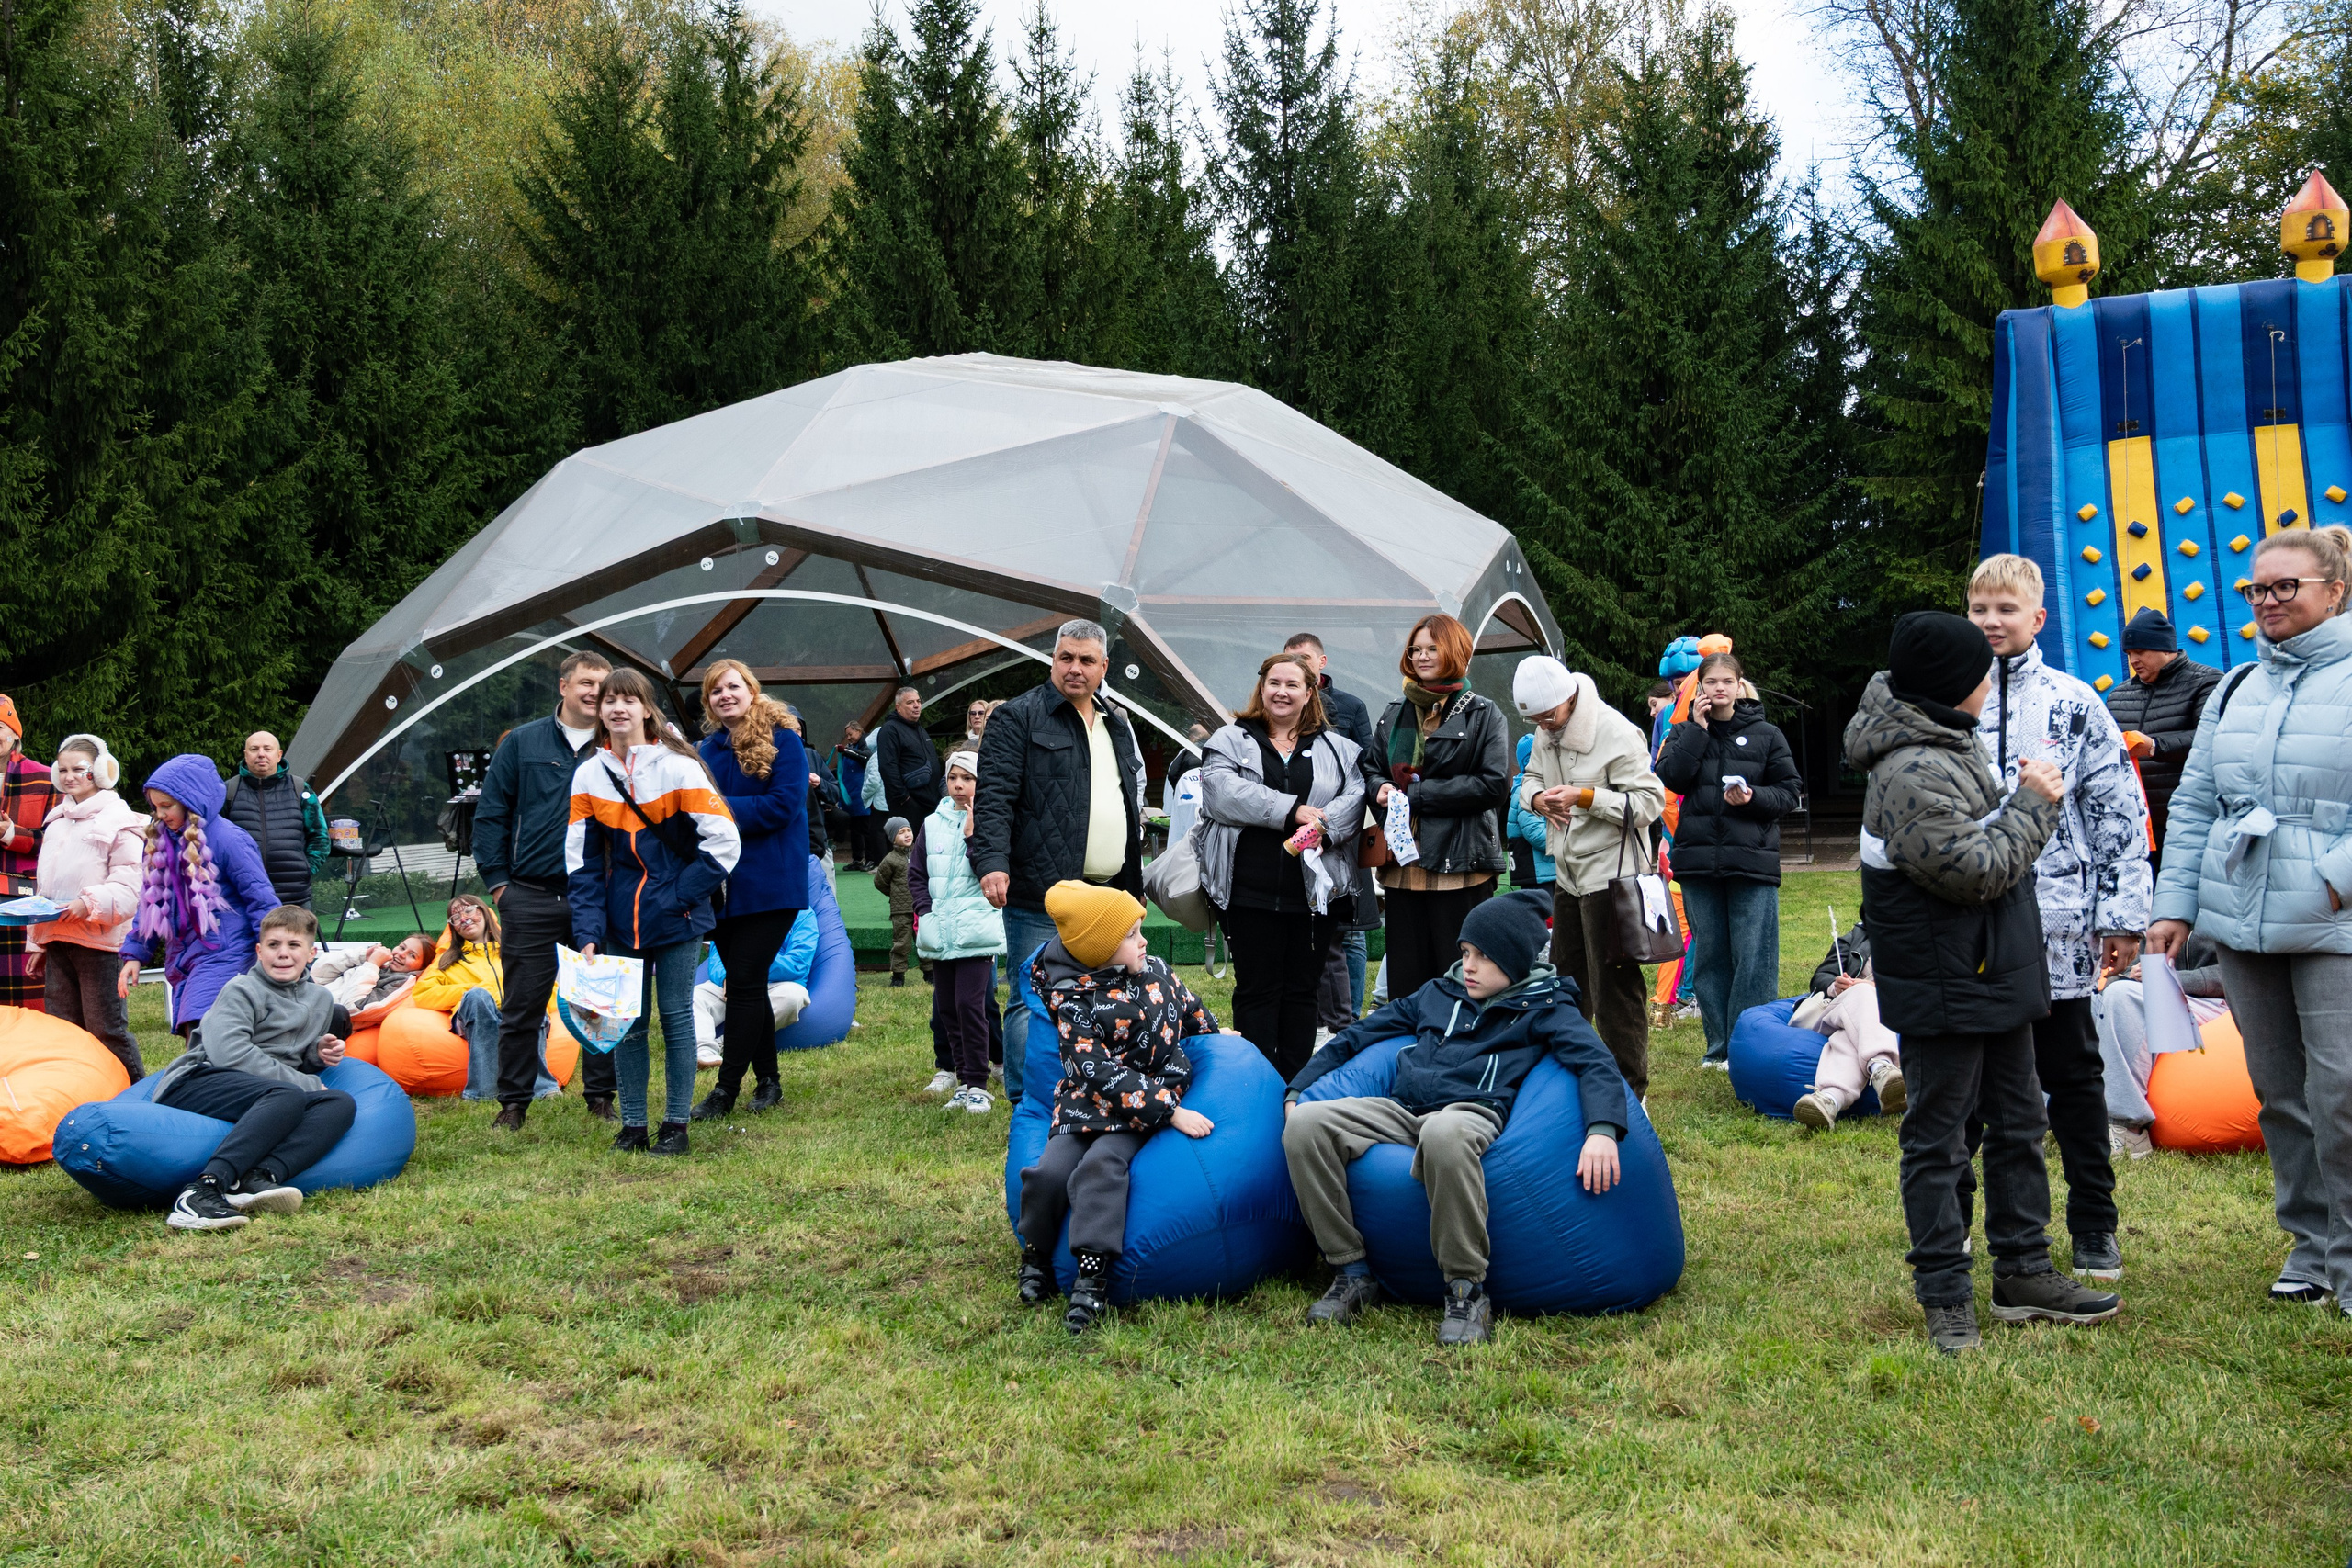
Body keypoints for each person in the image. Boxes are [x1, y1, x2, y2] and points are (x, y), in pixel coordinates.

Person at [1844, 611, 2120, 1354]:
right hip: (1945, 979)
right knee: (1939, 1137)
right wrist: (2035, 801)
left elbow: (1980, 844)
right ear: (1951, 684)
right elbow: (1977, 871)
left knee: (2020, 1122)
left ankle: (2023, 1271)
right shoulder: (1909, 769)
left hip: (1993, 968)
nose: (1991, 685)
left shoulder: (1948, 740)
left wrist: (2015, 803)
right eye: (1980, 674)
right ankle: (1944, 1290)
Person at [2147, 522, 2352, 1312]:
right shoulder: (2236, 686)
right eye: (2256, 588)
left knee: (2342, 1091)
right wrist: (2175, 904)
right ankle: (2311, 1247)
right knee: (2280, 1092)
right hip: (2241, 916)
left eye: (2284, 586)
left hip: (2335, 919)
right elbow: (2197, 801)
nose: (2267, 600)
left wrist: (2335, 880)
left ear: (2334, 590)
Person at [1282, 897, 1628, 1347]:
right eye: (1465, 952)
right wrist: (1298, 1088)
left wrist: (1602, 1130)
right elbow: (1359, 1034)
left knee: (1443, 1133)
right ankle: (1351, 1270)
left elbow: (1596, 1063)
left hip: (1472, 1112)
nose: (1469, 966)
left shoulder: (1544, 1007)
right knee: (1306, 1125)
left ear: (1514, 958)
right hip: (1403, 1109)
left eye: (1483, 956)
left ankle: (1466, 1289)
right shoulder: (1438, 993)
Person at [1968, 554, 2149, 1282]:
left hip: (2058, 923)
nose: (1991, 622)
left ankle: (2094, 1222)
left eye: (2006, 609)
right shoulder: (1949, 700)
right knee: (1971, 1085)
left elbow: (2117, 814)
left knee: (2071, 1074)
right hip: (1970, 924)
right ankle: (1963, 1221)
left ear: (2038, 617)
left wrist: (2122, 913)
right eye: (1980, 609)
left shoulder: (2075, 704)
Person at [1015, 881, 1222, 1335]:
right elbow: (1094, 1071)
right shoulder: (1074, 1001)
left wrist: (1215, 1033)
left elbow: (1188, 1007)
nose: (1143, 940)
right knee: (1049, 1173)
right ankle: (1036, 1254)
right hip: (1091, 1101)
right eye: (1131, 935)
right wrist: (1169, 1112)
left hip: (1142, 1104)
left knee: (1102, 1167)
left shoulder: (1156, 971)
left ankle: (1092, 1275)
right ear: (1100, 949)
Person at [972, 619, 1148, 1107]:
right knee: (1032, 996)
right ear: (1053, 659)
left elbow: (1128, 800)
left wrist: (1133, 882)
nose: (1075, 668)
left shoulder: (1117, 723)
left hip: (1109, 891)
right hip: (1041, 887)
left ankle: (1093, 1093)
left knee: (1106, 994)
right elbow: (994, 797)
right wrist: (992, 862)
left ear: (1104, 667)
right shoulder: (1017, 717)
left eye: (1086, 660)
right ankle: (1028, 1104)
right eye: (1065, 657)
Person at [569, 669, 741, 1155]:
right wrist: (588, 929)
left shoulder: (678, 767)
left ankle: (676, 1126)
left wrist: (678, 896)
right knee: (627, 1024)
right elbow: (580, 863)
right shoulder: (589, 775)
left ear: (647, 709)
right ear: (600, 711)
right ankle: (633, 1126)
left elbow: (725, 841)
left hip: (678, 916)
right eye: (609, 700)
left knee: (677, 1017)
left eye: (629, 700)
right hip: (620, 921)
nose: (618, 708)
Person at [1193, 651, 1364, 1080]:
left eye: (1292, 685)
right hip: (1248, 892)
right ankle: (1256, 1085)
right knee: (1256, 991)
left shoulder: (1339, 748)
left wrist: (1324, 823)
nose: (1281, 692)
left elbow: (1355, 799)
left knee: (1303, 992)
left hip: (1315, 896)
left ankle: (1293, 1086)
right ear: (1262, 688)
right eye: (1274, 683)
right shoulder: (1230, 739)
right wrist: (1292, 810)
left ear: (1310, 693)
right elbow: (1220, 793)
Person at [146, 905, 356, 1232]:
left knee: (340, 1102)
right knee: (288, 1094)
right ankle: (201, 1191)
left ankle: (256, 1177)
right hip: (199, 1079)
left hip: (263, 1090)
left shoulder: (320, 999)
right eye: (273, 945)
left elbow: (287, 1054)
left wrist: (316, 1053)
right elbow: (230, 1053)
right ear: (259, 951)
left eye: (294, 945)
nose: (283, 954)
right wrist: (306, 1083)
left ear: (311, 953)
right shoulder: (241, 989)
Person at [473, 649, 617, 1128]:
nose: (595, 692)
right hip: (530, 894)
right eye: (587, 682)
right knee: (523, 1005)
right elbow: (491, 814)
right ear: (564, 686)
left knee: (600, 1001)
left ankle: (601, 1098)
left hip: (598, 894)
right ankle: (513, 1103)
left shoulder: (619, 740)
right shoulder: (523, 742)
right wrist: (499, 885)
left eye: (603, 684)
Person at [1513, 655, 1667, 1098]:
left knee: (1614, 992)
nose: (1543, 726)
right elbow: (1529, 778)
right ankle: (1565, 1081)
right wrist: (1537, 799)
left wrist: (1585, 797)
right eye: (1535, 720)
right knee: (1565, 986)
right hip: (1567, 877)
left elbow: (1649, 804)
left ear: (1569, 697)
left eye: (1548, 715)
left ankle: (1630, 1093)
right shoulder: (1545, 730)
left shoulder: (1616, 730)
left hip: (1613, 878)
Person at [1654, 650, 1803, 1068]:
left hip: (1751, 861)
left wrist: (1752, 797)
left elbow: (1789, 792)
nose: (1719, 688)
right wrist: (1698, 730)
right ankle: (1718, 1048)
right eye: (1711, 682)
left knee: (1753, 957)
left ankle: (1749, 1047)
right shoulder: (1683, 732)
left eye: (1727, 681)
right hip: (1698, 862)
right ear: (1699, 687)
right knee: (1711, 957)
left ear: (1739, 686)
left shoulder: (1767, 734)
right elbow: (1671, 778)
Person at [687, 660, 808, 1122]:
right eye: (715, 691)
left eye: (733, 687)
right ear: (708, 703)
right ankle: (770, 1080)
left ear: (752, 691)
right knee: (748, 983)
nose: (725, 695)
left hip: (773, 883)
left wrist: (715, 808)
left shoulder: (784, 740)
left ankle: (725, 1090)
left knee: (742, 980)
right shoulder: (705, 751)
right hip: (723, 886)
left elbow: (782, 806)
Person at [1366, 614, 1510, 1000]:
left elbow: (1494, 784)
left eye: (1433, 648)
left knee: (1459, 980)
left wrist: (1416, 796)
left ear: (1456, 650)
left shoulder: (1483, 713)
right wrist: (1380, 787)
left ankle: (1459, 1039)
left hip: (1461, 865)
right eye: (1416, 649)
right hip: (1402, 867)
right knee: (1407, 985)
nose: (1422, 656)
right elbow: (1371, 768)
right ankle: (1414, 1039)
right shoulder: (1394, 711)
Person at [115, 755, 280, 1038]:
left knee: (202, 1023)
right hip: (183, 954)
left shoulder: (229, 839)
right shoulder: (160, 843)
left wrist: (273, 948)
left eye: (167, 806)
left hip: (226, 950)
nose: (160, 814)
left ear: (190, 802)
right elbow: (151, 902)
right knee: (193, 1027)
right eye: (155, 807)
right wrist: (135, 953)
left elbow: (261, 900)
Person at [30, 734, 147, 1077]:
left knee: (106, 1030)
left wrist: (89, 902)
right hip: (58, 939)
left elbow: (130, 885)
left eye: (78, 769)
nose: (69, 777)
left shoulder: (119, 820)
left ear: (101, 771)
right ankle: (79, 1093)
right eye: (62, 769)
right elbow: (45, 886)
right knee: (65, 1031)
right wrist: (38, 942)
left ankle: (135, 1095)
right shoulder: (56, 821)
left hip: (100, 944)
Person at [910, 750, 1007, 1112]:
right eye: (953, 778)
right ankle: (963, 1082)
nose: (959, 785)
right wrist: (925, 910)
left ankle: (980, 1084)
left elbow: (992, 871)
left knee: (971, 1004)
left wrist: (971, 837)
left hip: (975, 928)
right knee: (948, 1007)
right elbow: (916, 873)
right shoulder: (931, 823)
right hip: (940, 929)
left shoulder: (990, 822)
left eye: (967, 778)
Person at [2101, 607, 2222, 874]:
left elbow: (2213, 740)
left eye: (2140, 651)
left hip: (2191, 824)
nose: (2133, 660)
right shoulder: (2118, 697)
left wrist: (2154, 747)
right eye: (2129, 653)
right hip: (2136, 830)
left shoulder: (2207, 682)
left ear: (2165, 648)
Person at [407, 893, 558, 1102]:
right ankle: (483, 1093)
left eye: (469, 910)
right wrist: (471, 989)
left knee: (530, 996)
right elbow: (422, 993)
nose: (464, 919)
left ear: (485, 913)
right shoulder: (448, 959)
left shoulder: (515, 949)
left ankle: (542, 1088)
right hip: (477, 1017)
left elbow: (547, 985)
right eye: (456, 917)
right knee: (478, 997)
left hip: (518, 1014)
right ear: (453, 928)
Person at [2094, 931, 2229, 1160]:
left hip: (2217, 1004)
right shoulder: (2165, 913)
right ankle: (2062, 1115)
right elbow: (2141, 964)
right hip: (2166, 993)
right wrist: (2129, 974)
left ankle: (2127, 1130)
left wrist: (2168, 979)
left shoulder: (2234, 912)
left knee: (2122, 997)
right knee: (2089, 1002)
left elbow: (2241, 975)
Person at [1787, 924, 1906, 1132]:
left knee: (1851, 1030)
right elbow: (1821, 975)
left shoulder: (1923, 937)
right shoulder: (1857, 936)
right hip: (1842, 1008)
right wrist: (1835, 986)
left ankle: (1830, 1099)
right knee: (1861, 995)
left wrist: (1877, 988)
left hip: (1892, 1013)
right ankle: (1881, 1068)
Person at [219, 732, 331, 910]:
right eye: (254, 749)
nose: (261, 754)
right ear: (246, 755)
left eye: (267, 749)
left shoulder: (300, 788)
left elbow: (320, 837)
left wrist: (306, 870)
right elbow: (216, 841)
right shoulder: (228, 791)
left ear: (279, 755)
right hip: (244, 898)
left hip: (294, 897)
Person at [694, 909, 818, 1068]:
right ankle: (703, 1050)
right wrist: (727, 978)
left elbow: (798, 964)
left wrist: (750, 968)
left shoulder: (802, 913)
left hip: (778, 984)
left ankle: (725, 1044)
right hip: (732, 980)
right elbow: (717, 955)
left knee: (794, 996)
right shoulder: (737, 908)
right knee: (694, 996)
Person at [0, 696, 57, 1010]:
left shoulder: (46, 778)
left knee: (28, 994)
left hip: (25, 901)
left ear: (14, 734)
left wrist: (12, 835)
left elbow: (60, 841)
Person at [309, 933, 431, 1011]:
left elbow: (352, 1007)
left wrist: (373, 965)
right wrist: (363, 955)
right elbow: (318, 975)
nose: (401, 954)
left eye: (412, 955)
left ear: (422, 967)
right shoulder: (383, 964)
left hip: (323, 1016)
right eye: (402, 947)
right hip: (313, 999)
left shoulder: (402, 983)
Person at [876, 686, 943, 825]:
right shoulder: (890, 730)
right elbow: (887, 767)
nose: (916, 705)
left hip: (930, 803)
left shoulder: (920, 729)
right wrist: (903, 797)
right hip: (909, 805)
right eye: (910, 702)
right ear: (898, 707)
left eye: (918, 701)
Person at [1505, 735, 1555, 893]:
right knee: (1545, 908)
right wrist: (1566, 842)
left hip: (1545, 870)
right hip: (1537, 873)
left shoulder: (1541, 787)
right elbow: (1535, 833)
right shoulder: (1525, 791)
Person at [832, 721, 884, 872]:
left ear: (859, 731)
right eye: (847, 735)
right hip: (851, 797)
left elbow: (865, 757)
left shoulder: (866, 746)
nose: (848, 737)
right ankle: (857, 859)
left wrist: (846, 751)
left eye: (850, 734)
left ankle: (871, 858)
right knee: (855, 831)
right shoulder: (850, 747)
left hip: (862, 797)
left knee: (866, 830)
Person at [873, 817, 915, 987]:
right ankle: (898, 976)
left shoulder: (919, 853)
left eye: (908, 830)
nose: (907, 835)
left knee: (925, 940)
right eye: (901, 832)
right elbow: (879, 881)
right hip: (901, 910)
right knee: (901, 942)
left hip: (920, 906)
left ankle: (930, 972)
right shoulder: (890, 860)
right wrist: (894, 893)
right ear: (893, 838)